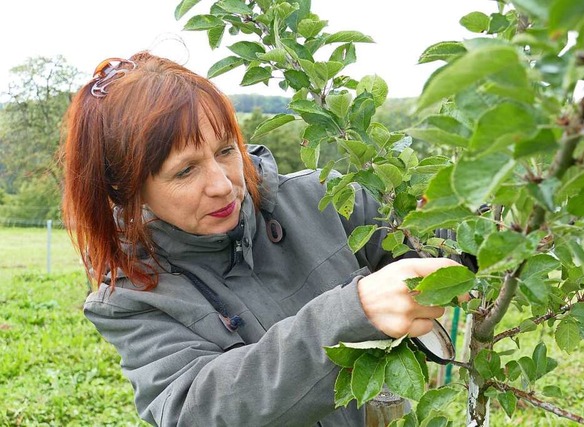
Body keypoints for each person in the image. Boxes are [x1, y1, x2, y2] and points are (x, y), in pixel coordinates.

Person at [61, 51, 460, 427]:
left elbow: (438, 240)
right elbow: (195, 411)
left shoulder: (323, 199)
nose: (221, 185)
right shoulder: (133, 296)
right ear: (128, 189)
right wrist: (352, 314)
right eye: (185, 171)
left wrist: (487, 224)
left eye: (225, 150)